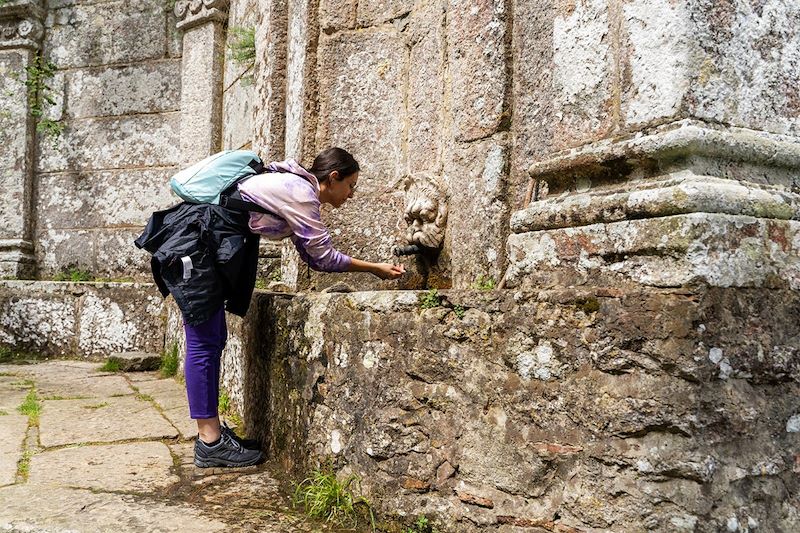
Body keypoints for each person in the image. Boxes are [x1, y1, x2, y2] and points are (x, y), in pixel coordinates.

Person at [135, 148, 405, 468]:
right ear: (333, 179)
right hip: (195, 240)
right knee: (203, 342)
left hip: (202, 236)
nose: (352, 194)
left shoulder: (293, 185)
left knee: (212, 338)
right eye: (351, 185)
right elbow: (323, 258)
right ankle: (209, 443)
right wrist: (374, 268)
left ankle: (213, 433)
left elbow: (309, 253)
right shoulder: (301, 194)